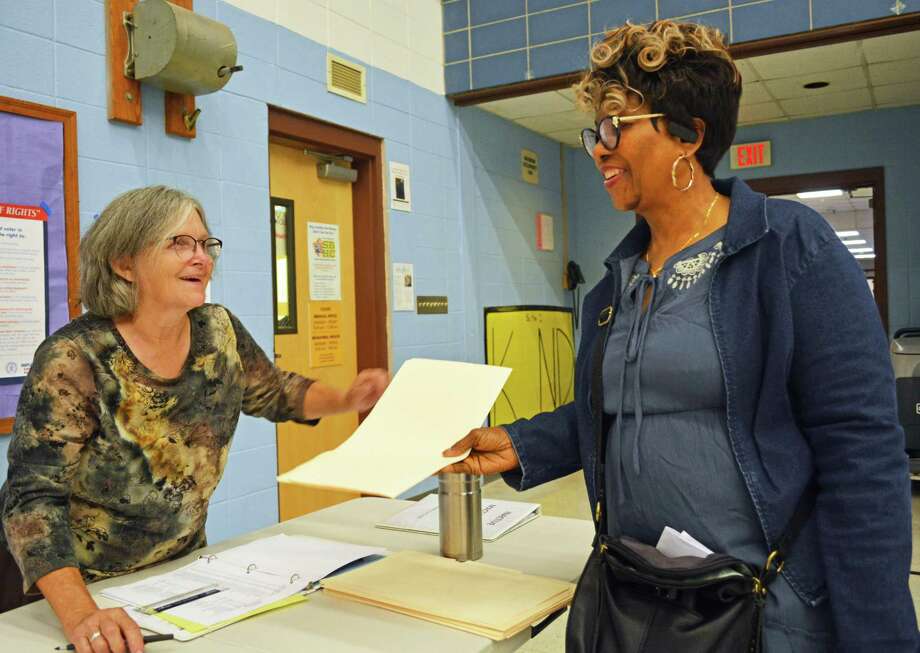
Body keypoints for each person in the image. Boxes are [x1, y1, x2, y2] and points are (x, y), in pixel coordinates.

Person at [444, 20, 918, 651]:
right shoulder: (618, 280)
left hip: (759, 608)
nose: (599, 150)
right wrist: (520, 443)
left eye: (617, 127)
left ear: (689, 137)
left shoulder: (789, 247)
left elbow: (862, 454)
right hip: (636, 597)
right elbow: (616, 408)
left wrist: (879, 638)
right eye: (595, 132)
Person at [0, 186, 389, 653]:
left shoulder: (216, 329)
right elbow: (32, 499)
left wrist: (346, 398)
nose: (201, 258)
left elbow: (275, 391)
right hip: (75, 590)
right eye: (179, 243)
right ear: (124, 264)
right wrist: (82, 612)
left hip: (175, 576)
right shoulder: (74, 357)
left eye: (206, 244)